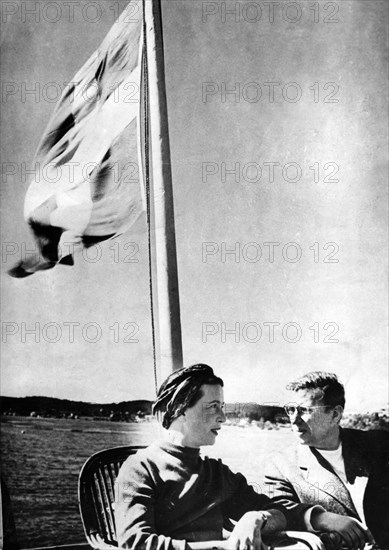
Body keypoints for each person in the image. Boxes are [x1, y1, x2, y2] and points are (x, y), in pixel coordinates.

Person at [115, 364, 325, 550]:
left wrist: (257, 518)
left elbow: (279, 512)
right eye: (213, 407)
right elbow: (136, 543)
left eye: (222, 407)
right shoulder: (139, 468)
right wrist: (224, 546)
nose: (223, 417)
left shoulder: (216, 474)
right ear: (181, 410)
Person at [264, 371, 389, 550]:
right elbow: (279, 515)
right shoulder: (280, 465)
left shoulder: (380, 445)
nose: (293, 419)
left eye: (304, 410)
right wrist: (321, 523)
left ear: (335, 414)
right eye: (291, 410)